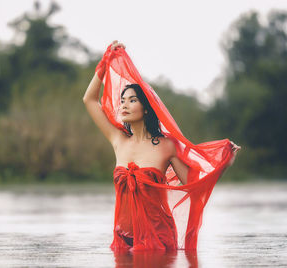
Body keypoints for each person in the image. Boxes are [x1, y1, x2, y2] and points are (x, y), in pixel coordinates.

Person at [82, 40, 241, 252]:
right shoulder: (118, 140)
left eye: (132, 100)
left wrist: (225, 163)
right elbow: (89, 100)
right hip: (124, 240)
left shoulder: (167, 146)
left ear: (146, 109)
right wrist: (102, 66)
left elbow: (194, 187)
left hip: (158, 240)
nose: (124, 105)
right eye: (122, 100)